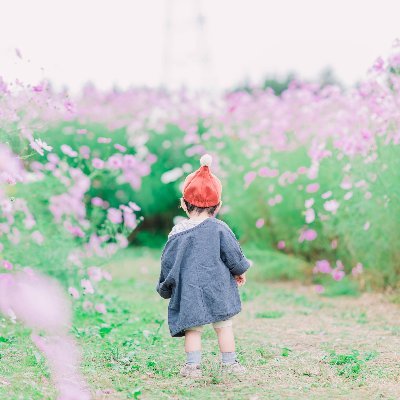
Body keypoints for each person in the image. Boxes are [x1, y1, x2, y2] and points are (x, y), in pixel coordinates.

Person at [156, 153, 251, 378]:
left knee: (193, 329)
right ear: (217, 206)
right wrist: (239, 272)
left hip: (190, 291)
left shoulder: (177, 233)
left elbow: (167, 263)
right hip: (218, 287)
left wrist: (165, 287)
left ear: (183, 203)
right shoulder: (220, 228)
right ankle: (230, 364)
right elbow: (233, 255)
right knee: (224, 326)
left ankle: (192, 367)